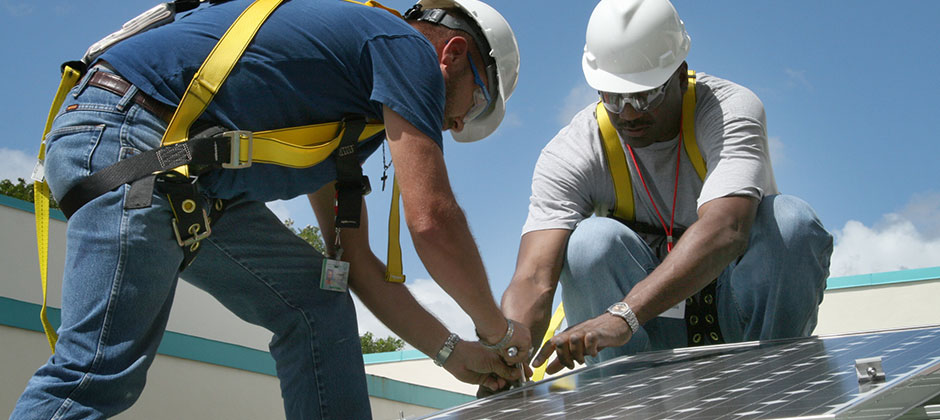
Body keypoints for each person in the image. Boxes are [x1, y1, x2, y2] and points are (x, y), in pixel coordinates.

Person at [11, 0, 531, 418]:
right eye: (477, 104)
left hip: (184, 175)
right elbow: (433, 221)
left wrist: (452, 352)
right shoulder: (402, 46)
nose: (458, 125)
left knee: (316, 302)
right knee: (95, 373)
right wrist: (500, 333)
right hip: (133, 138)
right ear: (453, 53)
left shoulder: (347, 116)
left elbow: (355, 266)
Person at [500, 0, 833, 377]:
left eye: (644, 96)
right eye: (613, 97)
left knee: (790, 221)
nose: (628, 113)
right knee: (589, 242)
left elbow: (727, 228)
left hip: (734, 319)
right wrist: (507, 353)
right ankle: (622, 398)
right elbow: (533, 277)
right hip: (643, 337)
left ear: (679, 75)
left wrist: (623, 316)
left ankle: (772, 382)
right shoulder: (574, 150)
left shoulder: (728, 110)